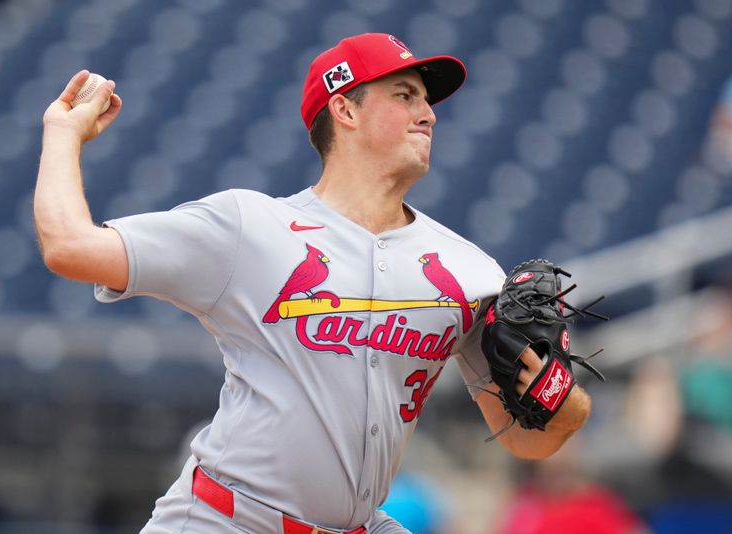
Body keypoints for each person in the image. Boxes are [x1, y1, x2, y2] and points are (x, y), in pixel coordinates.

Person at [34, 33, 593, 533]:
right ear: (344, 109)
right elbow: (68, 246)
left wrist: (564, 403)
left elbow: (527, 438)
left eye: (426, 100)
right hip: (224, 520)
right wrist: (63, 133)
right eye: (405, 95)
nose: (429, 114)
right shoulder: (248, 226)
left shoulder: (468, 270)